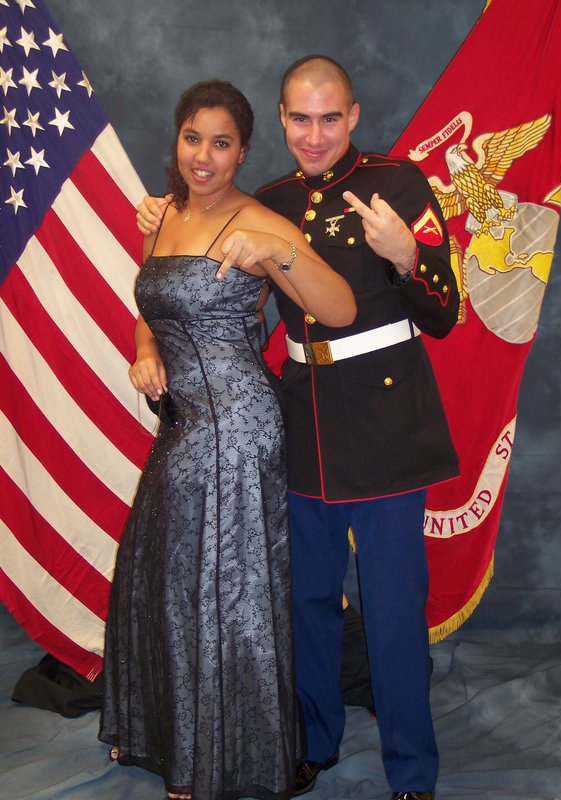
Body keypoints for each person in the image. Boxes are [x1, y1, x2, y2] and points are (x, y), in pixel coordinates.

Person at [137, 56, 459, 800]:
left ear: (353, 116)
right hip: (300, 417)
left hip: (386, 424)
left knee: (391, 609)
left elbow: (444, 313)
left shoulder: (398, 186)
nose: (314, 136)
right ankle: (313, 743)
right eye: (300, 119)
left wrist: (408, 258)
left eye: (329, 118)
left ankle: (412, 770)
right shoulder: (270, 201)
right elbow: (212, 288)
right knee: (307, 602)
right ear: (281, 120)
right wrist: (163, 220)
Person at [99, 79, 356, 800]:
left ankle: (211, 758)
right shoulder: (163, 215)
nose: (203, 157)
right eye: (193, 139)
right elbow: (150, 305)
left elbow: (338, 307)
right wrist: (143, 351)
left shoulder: (258, 221)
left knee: (218, 591)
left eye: (221, 144)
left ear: (243, 152)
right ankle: (175, 736)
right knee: (169, 579)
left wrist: (277, 252)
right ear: (177, 140)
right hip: (182, 424)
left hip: (237, 430)